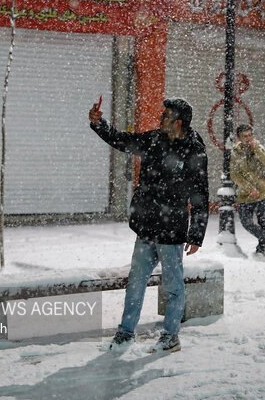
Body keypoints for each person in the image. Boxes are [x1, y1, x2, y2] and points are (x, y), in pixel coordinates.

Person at [89, 98, 209, 353]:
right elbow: (122, 140)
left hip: (172, 230)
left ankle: (170, 336)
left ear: (178, 122)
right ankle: (125, 332)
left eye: (165, 116)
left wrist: (196, 234)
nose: (160, 119)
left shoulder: (194, 150)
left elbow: (200, 194)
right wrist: (100, 124)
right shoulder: (154, 139)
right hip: (146, 226)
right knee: (136, 281)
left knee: (173, 286)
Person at [230, 124, 265, 257]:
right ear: (239, 138)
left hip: (262, 191)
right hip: (245, 194)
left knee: (263, 222)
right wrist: (249, 188)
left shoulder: (259, 147)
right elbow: (235, 175)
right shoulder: (236, 152)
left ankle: (261, 250)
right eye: (245, 136)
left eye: (250, 135)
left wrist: (256, 149)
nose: (248, 138)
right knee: (246, 223)